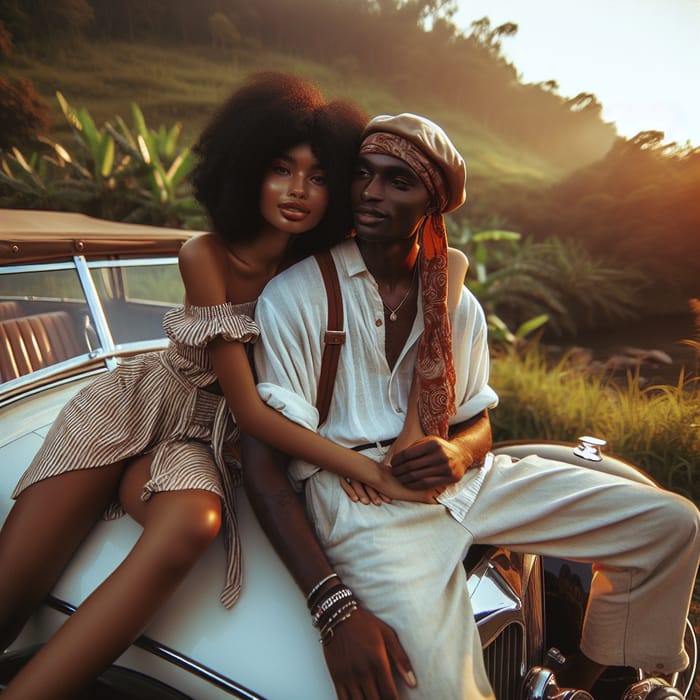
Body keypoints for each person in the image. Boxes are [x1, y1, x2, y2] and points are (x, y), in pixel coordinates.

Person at [0, 74, 429, 700]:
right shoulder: (206, 254)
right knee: (7, 600)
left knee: (193, 522)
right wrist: (371, 472)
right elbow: (251, 406)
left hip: (212, 441)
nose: (298, 191)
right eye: (281, 168)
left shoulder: (323, 271)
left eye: (318, 176)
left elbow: (441, 265)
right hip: (139, 408)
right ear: (247, 166)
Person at [243, 112, 700, 699]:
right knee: (435, 684)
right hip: (357, 500)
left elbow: (477, 421)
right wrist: (333, 608)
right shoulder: (295, 297)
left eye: (398, 182)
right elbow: (267, 467)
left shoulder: (459, 307)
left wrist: (458, 454)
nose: (371, 193)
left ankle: (584, 683)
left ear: (433, 206)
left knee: (670, 523)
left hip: (463, 482)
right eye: (363, 173)